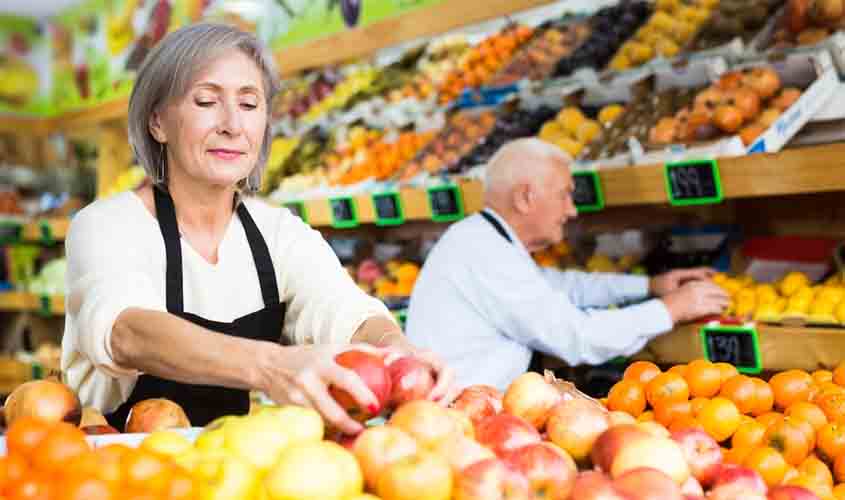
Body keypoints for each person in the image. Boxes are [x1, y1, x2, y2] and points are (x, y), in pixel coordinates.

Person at [60, 23, 453, 434]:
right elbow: (127, 332)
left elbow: (342, 309)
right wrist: (271, 366)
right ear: (157, 121)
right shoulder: (108, 225)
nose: (232, 124)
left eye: (249, 105)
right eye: (207, 101)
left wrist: (397, 352)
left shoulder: (277, 233)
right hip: (114, 470)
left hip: (233, 470)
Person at [405, 138, 729, 391]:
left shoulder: (483, 240)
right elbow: (578, 337)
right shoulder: (482, 252)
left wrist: (649, 286)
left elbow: (559, 286)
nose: (572, 210)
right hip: (466, 424)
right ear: (525, 198)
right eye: (565, 194)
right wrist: (671, 309)